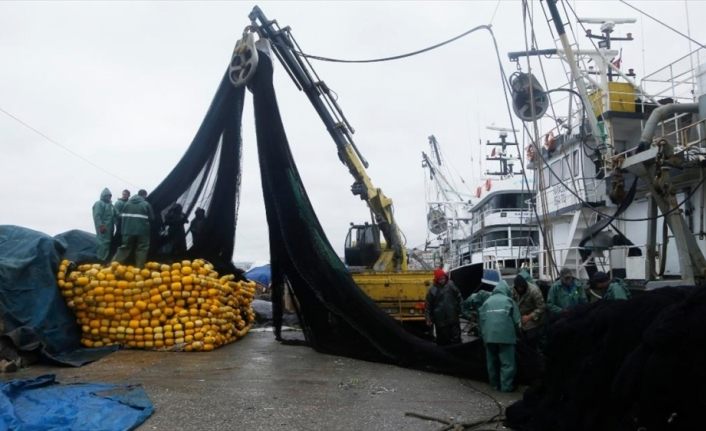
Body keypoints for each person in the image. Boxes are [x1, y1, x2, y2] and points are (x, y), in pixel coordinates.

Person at [479, 280, 521, 392]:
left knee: (492, 363)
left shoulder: (487, 302)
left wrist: (484, 336)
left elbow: (481, 321)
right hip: (506, 337)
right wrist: (519, 334)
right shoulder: (509, 300)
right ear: (506, 290)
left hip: (489, 337)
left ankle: (494, 385)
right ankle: (506, 388)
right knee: (507, 363)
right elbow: (517, 322)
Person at [112, 189, 154, 268]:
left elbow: (121, 216)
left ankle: (114, 266)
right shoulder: (146, 204)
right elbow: (152, 218)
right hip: (142, 231)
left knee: (125, 247)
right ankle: (139, 268)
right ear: (144, 195)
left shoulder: (127, 204)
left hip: (127, 230)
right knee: (142, 248)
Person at [425, 268, 462, 345]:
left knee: (456, 338)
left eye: (443, 278)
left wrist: (460, 309)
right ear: (436, 279)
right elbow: (428, 305)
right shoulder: (432, 290)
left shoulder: (451, 285)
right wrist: (428, 318)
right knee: (443, 340)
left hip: (453, 317)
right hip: (440, 320)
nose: (442, 280)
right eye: (440, 279)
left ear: (445, 277)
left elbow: (459, 297)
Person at [92, 188, 117, 262]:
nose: (109, 198)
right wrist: (100, 225)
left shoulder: (111, 205)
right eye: (107, 196)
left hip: (110, 228)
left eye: (110, 196)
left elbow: (117, 214)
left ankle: (105, 260)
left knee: (107, 243)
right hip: (103, 228)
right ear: (103, 196)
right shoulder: (99, 203)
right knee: (102, 243)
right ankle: (100, 260)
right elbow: (97, 216)